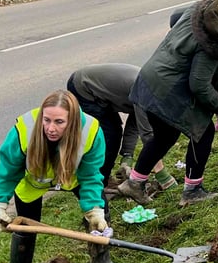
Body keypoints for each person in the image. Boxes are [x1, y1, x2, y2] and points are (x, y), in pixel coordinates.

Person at [117, 0, 218, 206]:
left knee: (165, 136)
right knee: (203, 132)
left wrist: (180, 47)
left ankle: (135, 182)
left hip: (150, 77)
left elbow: (174, 17)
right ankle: (192, 191)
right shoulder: (212, 45)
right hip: (168, 90)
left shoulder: (199, 10)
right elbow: (199, 85)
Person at [0, 90, 133, 263]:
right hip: (33, 182)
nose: (50, 128)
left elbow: (90, 176)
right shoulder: (25, 129)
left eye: (59, 122)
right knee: (25, 227)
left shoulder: (90, 131)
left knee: (100, 210)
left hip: (73, 177)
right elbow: (8, 171)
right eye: (46, 120)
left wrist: (94, 210)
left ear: (71, 121)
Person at [66, 64, 177, 194]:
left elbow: (135, 122)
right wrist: (162, 174)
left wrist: (127, 157)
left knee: (113, 132)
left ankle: (103, 178)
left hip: (95, 89)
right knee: (108, 136)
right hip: (83, 87)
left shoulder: (155, 91)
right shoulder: (149, 93)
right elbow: (148, 136)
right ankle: (98, 186)